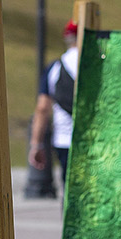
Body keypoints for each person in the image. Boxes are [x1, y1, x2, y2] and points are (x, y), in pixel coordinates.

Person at [28, 20, 81, 188]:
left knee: (69, 190)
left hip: (65, 138)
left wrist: (36, 144)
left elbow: (43, 108)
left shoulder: (55, 67)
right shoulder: (99, 65)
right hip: (94, 137)